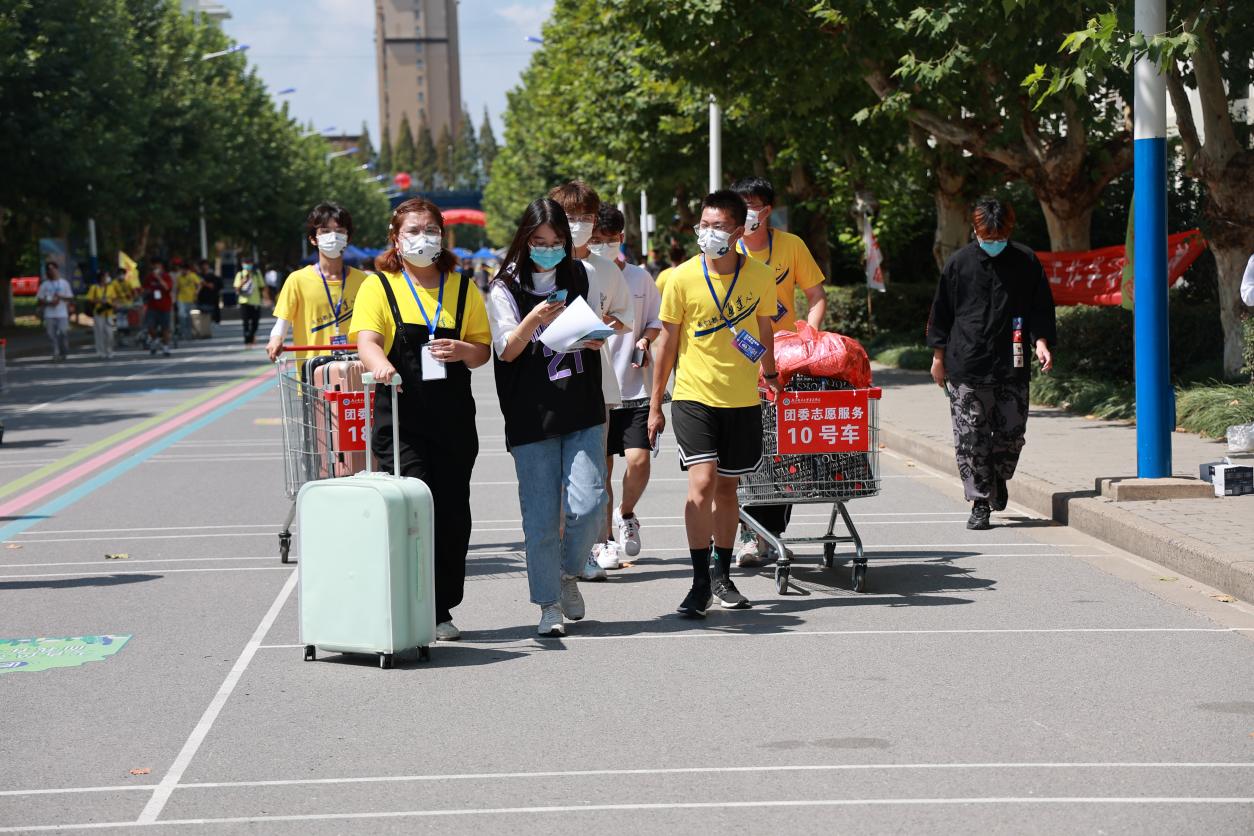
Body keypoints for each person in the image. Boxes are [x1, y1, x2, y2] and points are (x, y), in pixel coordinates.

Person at [349, 198, 491, 642]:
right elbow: (367, 340)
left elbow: (482, 351)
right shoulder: (379, 286)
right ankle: (408, 603)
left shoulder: (463, 288)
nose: (423, 238)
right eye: (413, 230)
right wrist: (380, 365)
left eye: (431, 229)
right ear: (396, 238)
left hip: (453, 421)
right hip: (401, 420)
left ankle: (441, 607)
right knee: (414, 507)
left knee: (452, 514)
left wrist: (464, 350)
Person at [648, 190, 781, 617]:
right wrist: (655, 404)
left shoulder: (760, 276)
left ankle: (722, 575)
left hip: (741, 399)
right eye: (703, 225)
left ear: (739, 231)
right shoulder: (680, 277)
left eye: (718, 226)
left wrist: (772, 376)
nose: (708, 233)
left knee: (727, 488)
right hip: (693, 396)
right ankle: (699, 582)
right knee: (702, 483)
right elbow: (667, 343)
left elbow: (765, 330)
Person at [486, 197, 608, 637]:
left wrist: (595, 337)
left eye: (557, 241)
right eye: (540, 241)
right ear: (525, 239)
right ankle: (548, 604)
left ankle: (568, 572)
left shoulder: (581, 274)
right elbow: (506, 350)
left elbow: (593, 323)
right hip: (530, 415)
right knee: (540, 519)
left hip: (582, 405)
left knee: (590, 504)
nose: (550, 249)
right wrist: (534, 318)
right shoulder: (504, 286)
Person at [927, 196, 1057, 530]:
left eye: (1000, 238)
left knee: (1012, 434)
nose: (994, 243)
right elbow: (941, 312)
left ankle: (998, 477)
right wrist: (938, 358)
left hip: (1012, 361)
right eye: (988, 237)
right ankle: (980, 502)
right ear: (976, 231)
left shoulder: (1026, 261)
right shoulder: (959, 264)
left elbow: (1041, 306)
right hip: (966, 363)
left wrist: (1041, 341)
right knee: (971, 436)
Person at [730, 176, 830, 567]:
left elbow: (816, 295)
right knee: (744, 451)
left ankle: (769, 534)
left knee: (782, 449)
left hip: (784, 365)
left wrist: (810, 335)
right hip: (739, 362)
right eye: (740, 205)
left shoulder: (791, 246)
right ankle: (748, 532)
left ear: (767, 210)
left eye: (752, 206)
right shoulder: (728, 249)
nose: (746, 214)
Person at [547, 180, 634, 581]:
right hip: (548, 384)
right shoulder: (539, 267)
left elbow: (623, 316)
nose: (579, 224)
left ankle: (588, 550)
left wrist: (600, 327)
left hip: (595, 385)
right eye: (570, 216)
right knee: (553, 478)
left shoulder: (606, 270)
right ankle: (557, 554)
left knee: (591, 476)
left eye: (586, 217)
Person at [588, 205, 662, 569]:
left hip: (635, 388)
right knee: (600, 471)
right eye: (595, 239)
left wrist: (645, 340)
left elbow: (655, 322)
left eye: (608, 239)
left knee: (639, 460)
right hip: (598, 389)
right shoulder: (583, 276)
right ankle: (603, 541)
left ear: (621, 239)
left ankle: (626, 513)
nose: (601, 245)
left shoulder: (639, 278)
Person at [267, 203, 368, 363]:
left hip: (356, 368)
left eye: (340, 231)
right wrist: (276, 339)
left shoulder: (364, 281)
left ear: (348, 237)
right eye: (325, 231)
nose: (333, 237)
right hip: (312, 370)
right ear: (313, 239)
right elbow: (282, 324)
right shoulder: (297, 280)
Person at [36, 261, 74, 362]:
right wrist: (49, 302)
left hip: (62, 313)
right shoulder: (45, 284)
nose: (51, 271)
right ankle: (55, 353)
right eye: (49, 270)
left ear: (57, 270)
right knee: (51, 334)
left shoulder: (64, 283)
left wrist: (60, 297)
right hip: (49, 314)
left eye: (53, 269)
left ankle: (63, 351)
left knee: (63, 332)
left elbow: (70, 297)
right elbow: (40, 298)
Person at [86, 268, 125, 359]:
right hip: (98, 313)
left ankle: (109, 350)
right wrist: (100, 301)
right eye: (106, 276)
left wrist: (115, 304)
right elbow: (90, 300)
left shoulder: (110, 288)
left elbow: (114, 299)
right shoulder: (94, 288)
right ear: (101, 277)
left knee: (109, 333)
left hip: (109, 313)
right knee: (99, 333)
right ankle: (101, 351)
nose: (107, 278)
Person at [143, 258, 175, 356]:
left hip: (165, 306)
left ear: (162, 266)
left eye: (158, 265)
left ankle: (166, 347)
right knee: (150, 327)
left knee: (165, 328)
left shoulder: (166, 276)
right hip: (152, 306)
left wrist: (159, 278)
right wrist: (147, 292)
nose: (156, 267)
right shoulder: (149, 277)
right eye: (154, 265)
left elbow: (167, 288)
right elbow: (145, 289)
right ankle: (155, 339)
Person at [234, 258, 264, 346]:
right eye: (246, 263)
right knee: (245, 322)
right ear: (242, 264)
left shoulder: (257, 273)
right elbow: (236, 289)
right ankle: (247, 340)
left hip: (256, 302)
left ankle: (251, 336)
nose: (247, 265)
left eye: (249, 263)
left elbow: (262, 286)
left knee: (255, 322)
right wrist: (243, 281)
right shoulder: (240, 274)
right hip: (244, 301)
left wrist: (266, 298)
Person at [174, 261, 202, 341]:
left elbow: (199, 284)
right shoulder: (179, 277)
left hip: (191, 299)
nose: (183, 271)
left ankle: (190, 333)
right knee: (181, 315)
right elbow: (177, 288)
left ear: (188, 270)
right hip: (181, 299)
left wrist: (197, 291)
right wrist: (175, 298)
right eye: (182, 270)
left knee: (190, 317)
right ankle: (183, 333)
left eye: (185, 270)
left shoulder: (193, 276)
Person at [197, 259, 222, 325]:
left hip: (212, 301)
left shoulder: (213, 276)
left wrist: (204, 283)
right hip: (202, 301)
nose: (204, 267)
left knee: (212, 320)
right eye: (202, 265)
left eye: (205, 265)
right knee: (203, 320)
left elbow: (214, 286)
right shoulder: (198, 276)